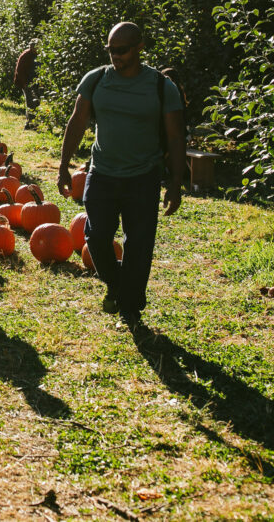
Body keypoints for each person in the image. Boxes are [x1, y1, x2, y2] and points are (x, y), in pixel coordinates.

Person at [56, 22, 186, 332]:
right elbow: (77, 122)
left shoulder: (161, 87)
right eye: (111, 50)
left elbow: (175, 136)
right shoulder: (96, 80)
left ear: (139, 47)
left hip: (143, 176)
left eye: (122, 50)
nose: (115, 56)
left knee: (139, 244)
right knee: (96, 237)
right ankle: (117, 283)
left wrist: (176, 183)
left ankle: (130, 307)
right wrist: (63, 166)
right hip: (102, 173)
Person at [14, 39, 41, 130]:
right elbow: (20, 70)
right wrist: (24, 84)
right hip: (27, 82)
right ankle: (31, 124)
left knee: (36, 102)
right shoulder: (26, 56)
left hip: (36, 82)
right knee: (30, 103)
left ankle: (32, 123)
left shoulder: (40, 55)